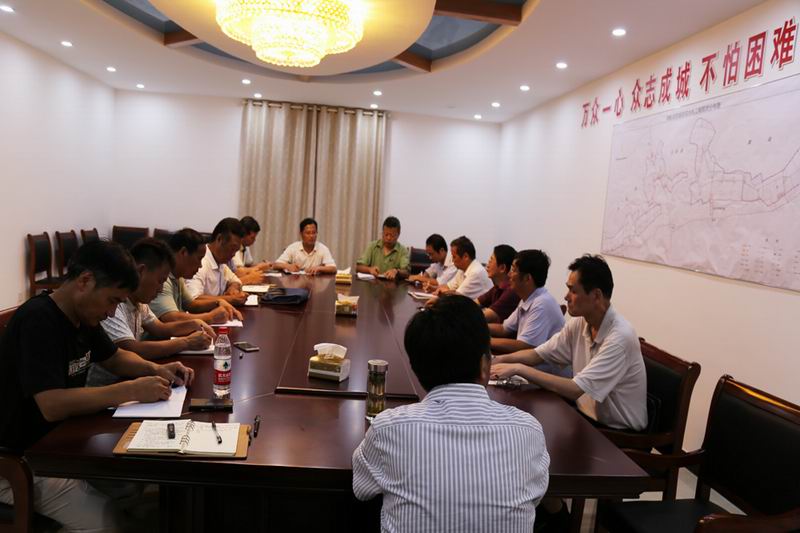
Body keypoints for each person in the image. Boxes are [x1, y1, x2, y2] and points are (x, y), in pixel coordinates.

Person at [0, 240, 194, 532]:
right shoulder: (38, 319)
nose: (111, 312)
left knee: (131, 486)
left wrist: (157, 369)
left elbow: (114, 357)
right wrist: (130, 390)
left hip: (57, 444)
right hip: (17, 459)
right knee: (107, 522)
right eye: (112, 300)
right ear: (85, 281)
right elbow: (51, 405)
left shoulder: (82, 317)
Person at [353, 294, 549, 531]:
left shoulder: (389, 428)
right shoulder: (528, 431)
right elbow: (535, 496)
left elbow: (362, 489)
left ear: (417, 369)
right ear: (485, 365)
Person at [491, 254, 647, 432]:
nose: (566, 297)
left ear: (596, 295)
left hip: (617, 433)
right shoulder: (580, 323)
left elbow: (575, 389)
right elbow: (538, 354)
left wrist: (519, 368)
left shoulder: (620, 337)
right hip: (584, 417)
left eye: (573, 291)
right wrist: (496, 360)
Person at [90, 239, 215, 386]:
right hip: (107, 387)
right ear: (141, 271)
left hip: (125, 380)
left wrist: (193, 323)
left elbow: (160, 328)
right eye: (160, 281)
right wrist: (186, 342)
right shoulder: (114, 303)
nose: (161, 289)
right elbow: (131, 349)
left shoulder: (138, 301)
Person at [150, 228, 242, 324]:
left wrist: (218, 302)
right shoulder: (162, 278)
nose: (201, 265)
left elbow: (191, 304)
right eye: (199, 258)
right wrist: (210, 317)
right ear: (184, 252)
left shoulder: (178, 275)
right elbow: (171, 317)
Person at [488, 249, 564, 354]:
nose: (509, 275)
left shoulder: (542, 303)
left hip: (543, 364)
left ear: (527, 278)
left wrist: (485, 341)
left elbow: (524, 346)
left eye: (513, 270)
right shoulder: (528, 298)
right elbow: (504, 329)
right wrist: (477, 327)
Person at [186, 217, 248, 306]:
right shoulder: (201, 262)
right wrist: (230, 299)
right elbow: (193, 299)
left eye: (236, 250)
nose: (233, 255)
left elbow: (235, 280)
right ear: (219, 239)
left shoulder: (220, 261)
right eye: (232, 248)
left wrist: (233, 288)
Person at [476, 244, 520, 323]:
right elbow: (475, 303)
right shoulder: (497, 287)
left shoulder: (510, 291)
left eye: (491, 260)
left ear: (502, 268)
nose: (487, 264)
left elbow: (485, 316)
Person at [356, 216, 409, 280]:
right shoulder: (373, 246)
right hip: (372, 284)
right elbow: (358, 267)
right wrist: (369, 269)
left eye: (392, 235)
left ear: (398, 234)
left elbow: (407, 272)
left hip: (392, 285)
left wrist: (396, 271)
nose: (388, 238)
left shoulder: (403, 250)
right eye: (386, 234)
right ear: (382, 232)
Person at [230, 216, 272, 284]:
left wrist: (262, 265)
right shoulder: (234, 247)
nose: (254, 240)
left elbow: (249, 265)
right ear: (243, 235)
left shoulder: (245, 246)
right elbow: (238, 271)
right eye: (252, 238)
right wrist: (259, 267)